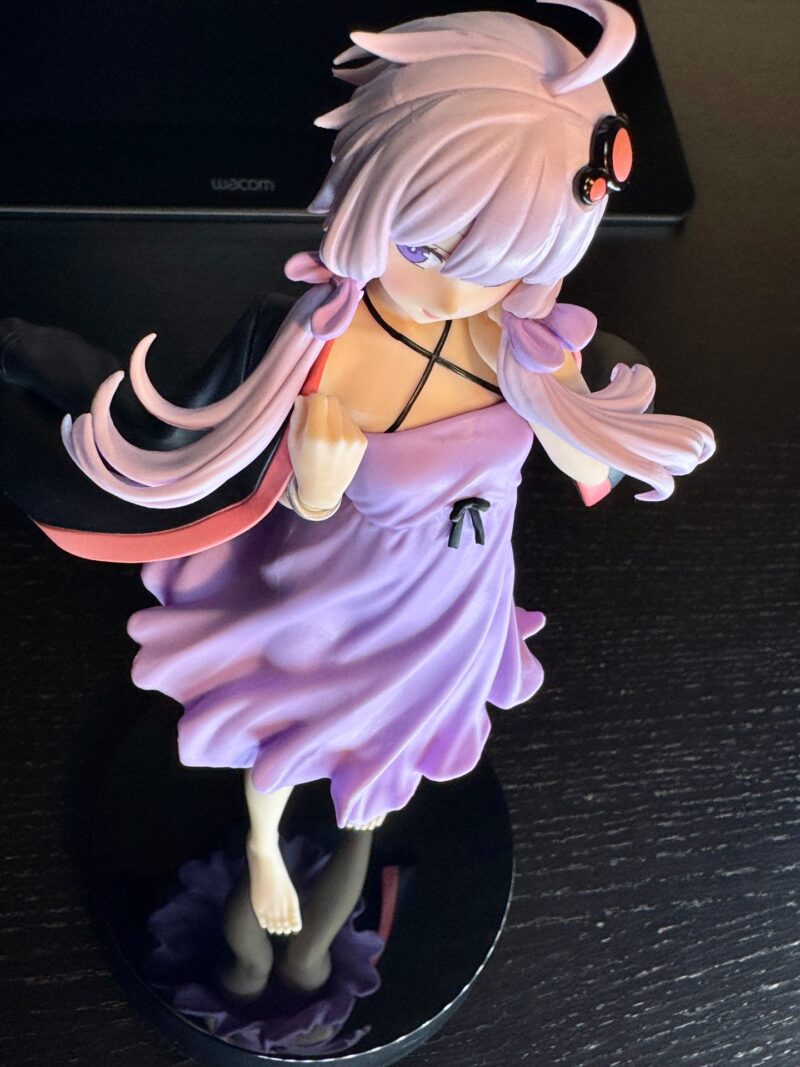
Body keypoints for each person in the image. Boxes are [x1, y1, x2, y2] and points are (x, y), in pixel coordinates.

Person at [1, 0, 715, 934]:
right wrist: (318, 479)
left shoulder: (525, 340)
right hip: (337, 590)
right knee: (290, 722)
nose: (455, 288)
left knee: (393, 745)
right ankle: (264, 843)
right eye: (426, 245)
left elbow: (579, 458)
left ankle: (358, 840)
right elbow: (282, 491)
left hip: (455, 599)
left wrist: (578, 412)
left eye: (503, 258)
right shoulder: (330, 347)